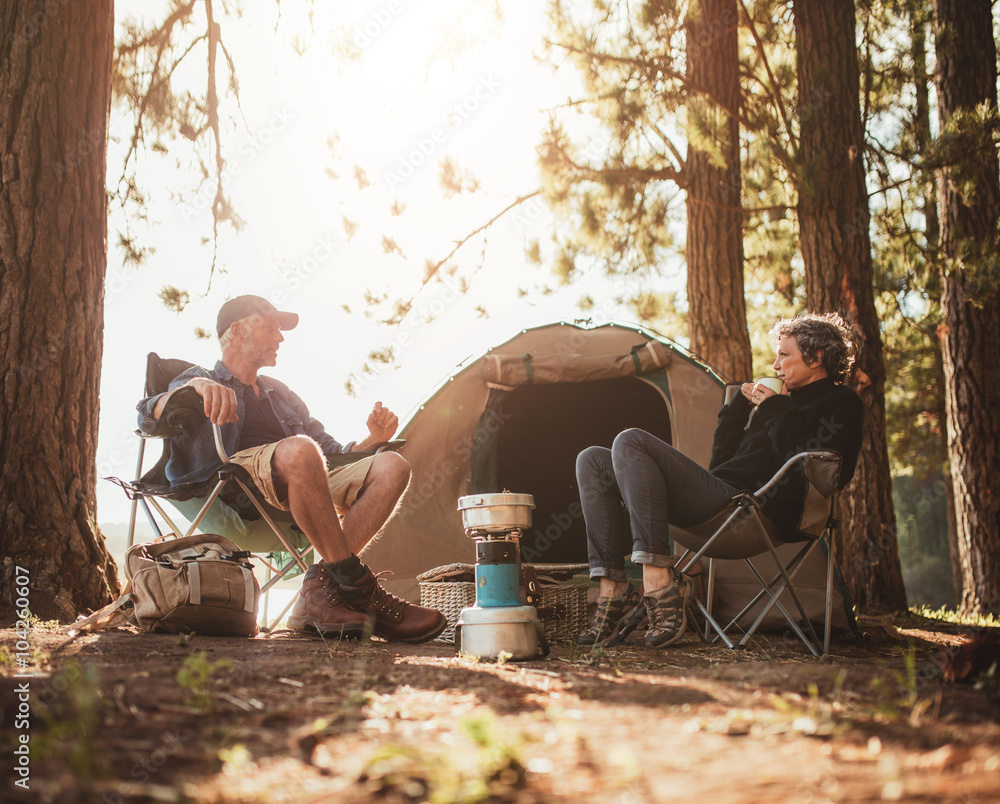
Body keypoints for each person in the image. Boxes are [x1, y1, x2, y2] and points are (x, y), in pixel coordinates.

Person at [136, 294, 447, 644]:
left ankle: (320, 588)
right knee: (300, 450)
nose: (280, 337)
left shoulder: (280, 393)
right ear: (237, 331)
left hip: (304, 482)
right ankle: (362, 591)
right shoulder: (199, 379)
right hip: (234, 487)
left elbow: (329, 452)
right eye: (270, 327)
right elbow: (147, 415)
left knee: (392, 465)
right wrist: (195, 388)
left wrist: (371, 440)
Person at [574, 312, 864, 649]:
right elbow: (722, 467)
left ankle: (658, 584)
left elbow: (817, 468)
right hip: (722, 499)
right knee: (592, 459)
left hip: (753, 514)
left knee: (631, 440)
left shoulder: (841, 403)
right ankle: (611, 589)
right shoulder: (779, 403)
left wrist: (774, 410)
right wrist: (738, 407)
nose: (774, 365)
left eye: (784, 354)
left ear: (816, 358)